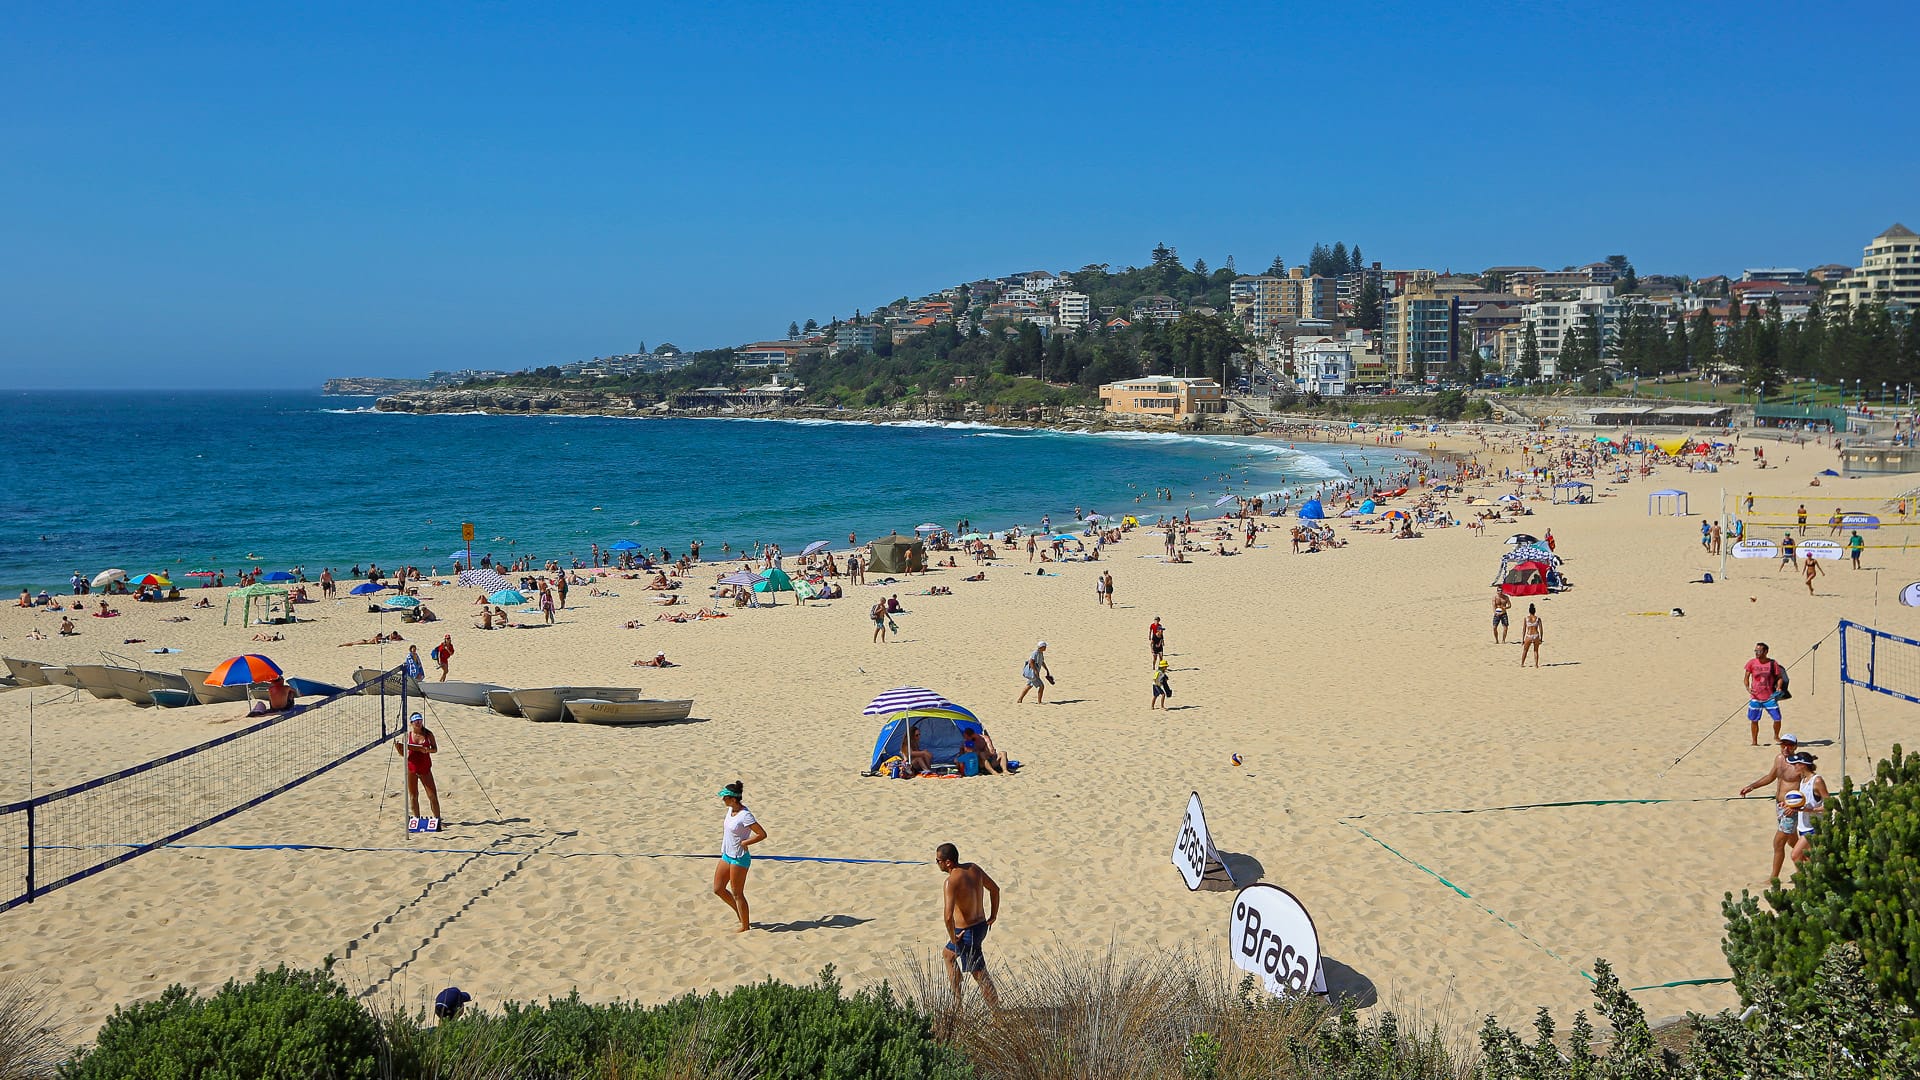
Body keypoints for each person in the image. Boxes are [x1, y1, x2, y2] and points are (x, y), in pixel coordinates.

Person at [935, 842, 1001, 1008]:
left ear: (948, 862)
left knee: (980, 974)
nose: (937, 863)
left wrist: (953, 937)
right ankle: (958, 1003)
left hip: (966, 933)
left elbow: (948, 917)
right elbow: (995, 889)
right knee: (948, 955)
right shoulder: (974, 868)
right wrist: (993, 915)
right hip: (980, 926)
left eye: (938, 861)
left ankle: (996, 1012)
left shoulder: (951, 882)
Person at [1740, 732, 1803, 879]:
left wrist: (1794, 806)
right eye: (1783, 744)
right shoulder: (1779, 759)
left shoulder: (1799, 765)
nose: (1786, 748)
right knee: (1793, 841)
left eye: (1789, 745)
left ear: (1795, 747)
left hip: (1790, 809)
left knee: (1778, 842)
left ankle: (1773, 878)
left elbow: (1807, 787)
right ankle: (1808, 865)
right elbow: (1770, 777)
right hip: (1779, 806)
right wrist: (1752, 786)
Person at [712, 781, 765, 933]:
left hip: (739, 858)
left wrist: (746, 842)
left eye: (725, 797)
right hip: (727, 854)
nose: (723, 800)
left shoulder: (745, 815)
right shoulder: (730, 810)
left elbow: (762, 834)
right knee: (718, 889)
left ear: (733, 799)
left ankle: (745, 926)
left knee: (737, 893)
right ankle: (740, 913)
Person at [395, 712, 441, 828]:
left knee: (432, 796)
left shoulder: (428, 734)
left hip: (425, 768)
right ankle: (417, 820)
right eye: (416, 721)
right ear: (411, 723)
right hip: (412, 768)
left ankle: (437, 820)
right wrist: (398, 748)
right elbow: (403, 754)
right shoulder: (407, 736)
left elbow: (435, 749)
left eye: (420, 720)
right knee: (413, 796)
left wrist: (427, 750)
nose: (419, 723)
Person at [1742, 642, 1789, 746]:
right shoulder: (1751, 663)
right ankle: (1754, 741)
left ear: (1766, 652)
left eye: (1759, 651)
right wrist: (1748, 688)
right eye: (1755, 651)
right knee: (1754, 720)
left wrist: (1779, 686)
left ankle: (1776, 736)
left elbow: (1779, 677)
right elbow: (1746, 678)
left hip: (1770, 697)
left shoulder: (1773, 663)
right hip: (1755, 697)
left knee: (1777, 718)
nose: (1757, 653)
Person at [1786, 752, 1829, 867]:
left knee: (1795, 855)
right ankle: (1809, 882)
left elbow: (1829, 805)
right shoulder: (1803, 781)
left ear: (1803, 765)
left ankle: (1802, 883)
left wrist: (1810, 810)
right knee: (1808, 858)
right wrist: (1790, 806)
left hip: (1814, 827)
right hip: (1803, 826)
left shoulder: (1817, 781)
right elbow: (1803, 803)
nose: (1794, 766)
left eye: (1796, 764)